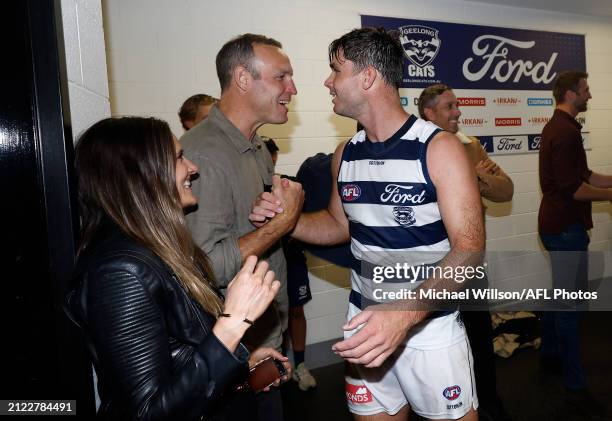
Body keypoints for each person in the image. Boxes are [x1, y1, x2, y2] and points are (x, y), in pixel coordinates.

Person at [252, 28, 484, 420]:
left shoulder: (439, 148)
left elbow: (470, 250)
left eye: (335, 70)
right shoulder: (346, 154)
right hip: (363, 325)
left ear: (368, 77)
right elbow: (337, 226)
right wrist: (285, 219)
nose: (327, 81)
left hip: (429, 333)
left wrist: (404, 314)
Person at [65, 116, 290, 420]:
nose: (193, 168)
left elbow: (180, 356)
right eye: (179, 158)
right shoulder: (119, 271)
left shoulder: (157, 249)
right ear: (142, 175)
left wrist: (240, 362)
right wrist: (234, 323)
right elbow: (149, 413)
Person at [180, 34, 303, 420]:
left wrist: (259, 217)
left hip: (261, 340)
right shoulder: (203, 153)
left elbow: (232, 235)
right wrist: (281, 224)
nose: (292, 88)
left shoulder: (253, 147)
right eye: (282, 77)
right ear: (243, 79)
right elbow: (205, 268)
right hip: (229, 354)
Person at [419, 84, 513, 421]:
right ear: (429, 113)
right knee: (435, 348)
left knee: (479, 339)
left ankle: (487, 401)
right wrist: (465, 178)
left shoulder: (469, 145)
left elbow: (506, 189)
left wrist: (472, 177)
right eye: (449, 107)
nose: (458, 111)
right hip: (432, 267)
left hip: (470, 264)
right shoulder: (416, 147)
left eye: (457, 105)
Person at [538, 70, 609, 418]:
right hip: (565, 229)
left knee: (561, 296)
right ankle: (575, 384)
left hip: (560, 227)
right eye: (585, 90)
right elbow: (575, 190)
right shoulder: (564, 133)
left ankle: (549, 356)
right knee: (570, 308)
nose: (590, 95)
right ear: (570, 94)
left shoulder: (563, 128)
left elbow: (585, 176)